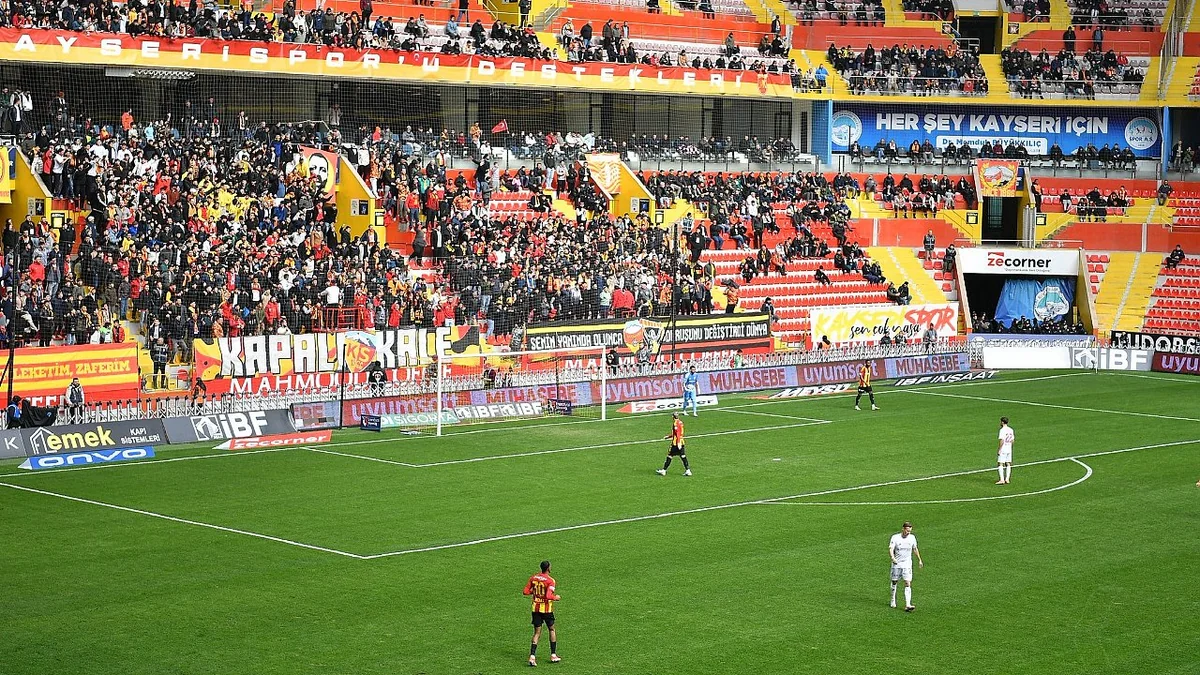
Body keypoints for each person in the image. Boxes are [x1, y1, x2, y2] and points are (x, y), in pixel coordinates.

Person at [523, 560, 561, 667]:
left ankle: (532, 656)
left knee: (537, 633)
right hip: (547, 610)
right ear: (548, 568)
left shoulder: (533, 578)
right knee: (552, 629)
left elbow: (525, 591)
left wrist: (534, 592)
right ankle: (553, 655)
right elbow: (548, 596)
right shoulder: (550, 581)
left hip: (535, 609)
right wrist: (556, 598)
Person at [888, 521, 924, 612]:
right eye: (907, 531)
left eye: (910, 531)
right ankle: (893, 599)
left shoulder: (912, 538)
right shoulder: (895, 537)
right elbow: (891, 548)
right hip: (897, 563)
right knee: (894, 581)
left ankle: (908, 604)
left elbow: (915, 548)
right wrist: (893, 558)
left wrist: (919, 559)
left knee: (907, 582)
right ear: (903, 529)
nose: (908, 533)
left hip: (907, 564)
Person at [997, 416, 1015, 485]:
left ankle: (1002, 480)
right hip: (1009, 448)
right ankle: (1007, 479)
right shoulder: (1011, 430)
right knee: (1008, 463)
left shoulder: (1002, 430)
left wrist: (999, 449)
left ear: (1002, 422)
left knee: (1000, 463)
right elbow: (1012, 440)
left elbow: (1002, 440)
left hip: (1003, 449)